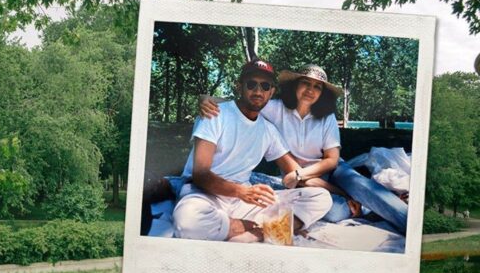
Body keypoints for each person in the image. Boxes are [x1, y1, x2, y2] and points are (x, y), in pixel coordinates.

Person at [199, 64, 408, 234]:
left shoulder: (326, 118)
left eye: (317, 87)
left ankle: (411, 223)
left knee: (360, 186)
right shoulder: (275, 108)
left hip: (331, 170)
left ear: (322, 93)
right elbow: (237, 103)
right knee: (335, 213)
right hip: (301, 180)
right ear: (295, 86)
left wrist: (336, 188)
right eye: (305, 83)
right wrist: (205, 100)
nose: (310, 90)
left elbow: (332, 159)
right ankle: (368, 207)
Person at [173, 59, 332, 242]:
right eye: (251, 84)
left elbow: (297, 172)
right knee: (187, 223)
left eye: (265, 86)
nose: (258, 91)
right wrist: (242, 192)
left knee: (321, 198)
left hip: (244, 202)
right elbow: (200, 174)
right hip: (205, 194)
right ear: (239, 86)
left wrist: (343, 194)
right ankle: (261, 229)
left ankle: (245, 228)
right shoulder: (215, 114)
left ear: (271, 91)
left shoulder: (268, 130)